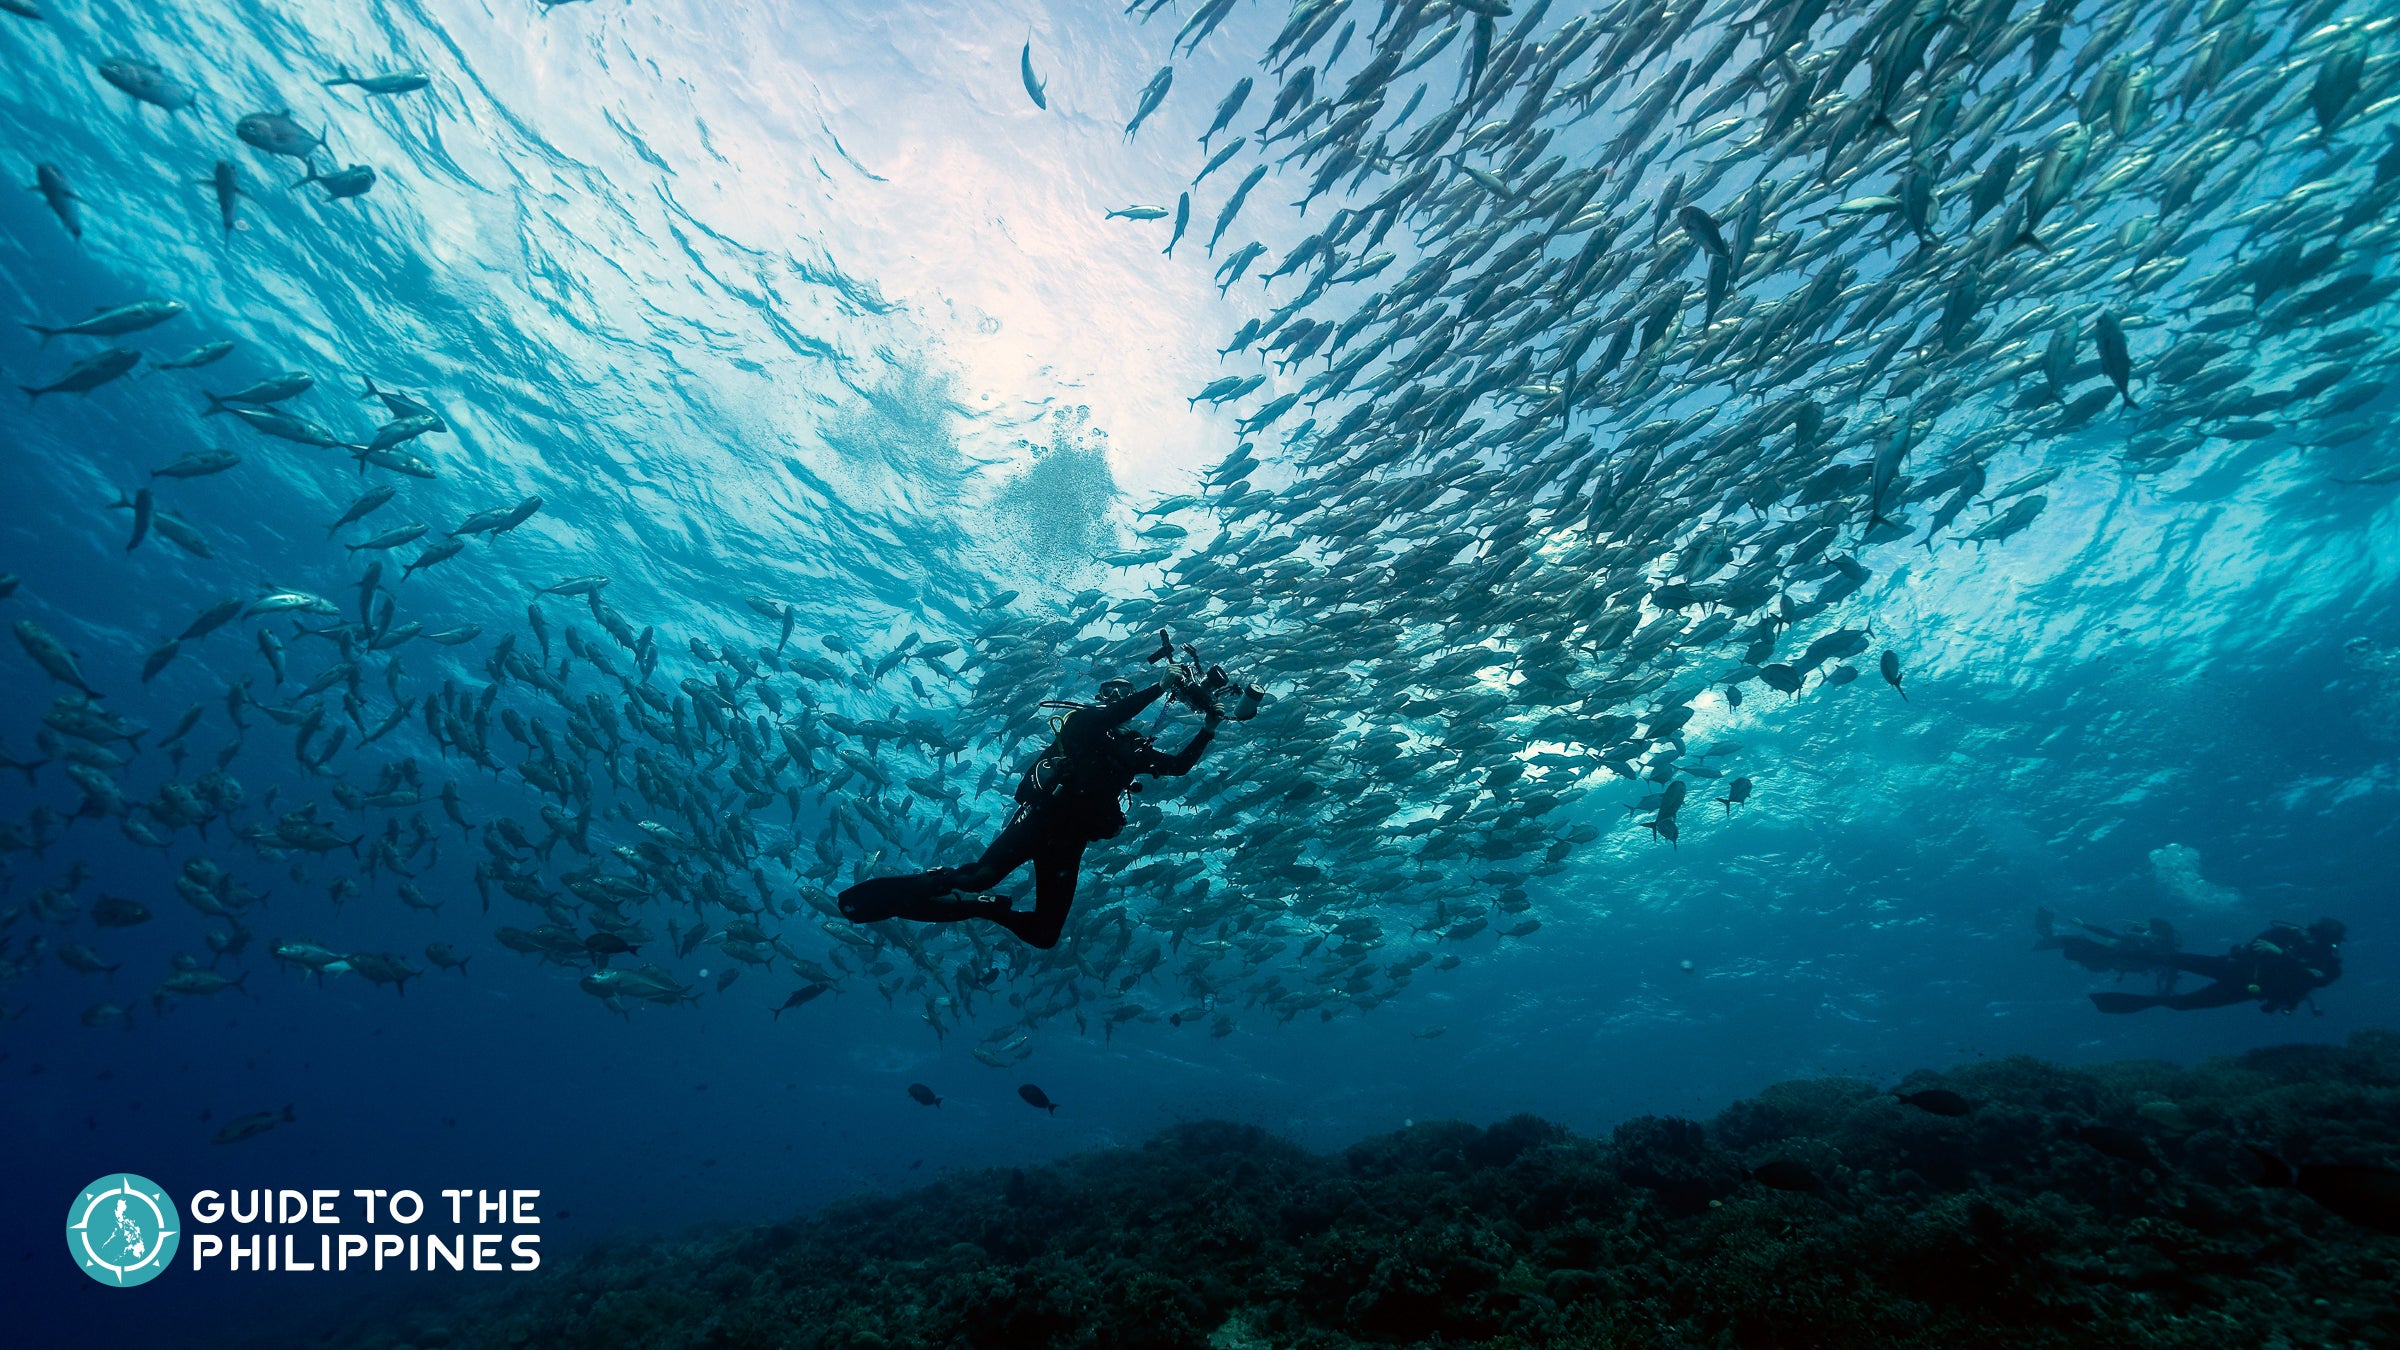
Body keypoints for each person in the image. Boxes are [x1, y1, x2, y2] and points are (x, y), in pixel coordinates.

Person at [835, 674, 1223, 948]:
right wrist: (1160, 685)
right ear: (1105, 700)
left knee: (1045, 935)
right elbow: (1110, 717)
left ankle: (985, 910)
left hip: (1070, 842)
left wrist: (1206, 729)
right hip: (1038, 820)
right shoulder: (1080, 722)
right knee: (978, 877)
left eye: (1123, 695)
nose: (1116, 701)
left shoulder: (1129, 750)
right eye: (1112, 695)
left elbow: (1178, 766)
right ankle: (915, 891)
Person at [2044, 911, 2347, 1015]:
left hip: (2248, 989)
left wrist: (2282, 956)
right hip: (2232, 968)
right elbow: (2255, 946)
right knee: (2166, 957)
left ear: (2330, 943)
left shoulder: (2330, 963)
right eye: (2312, 932)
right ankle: (2103, 953)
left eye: (2319, 938)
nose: (2311, 938)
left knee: (2183, 1004)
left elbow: (2313, 979)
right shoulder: (2285, 932)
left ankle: (2150, 1000)